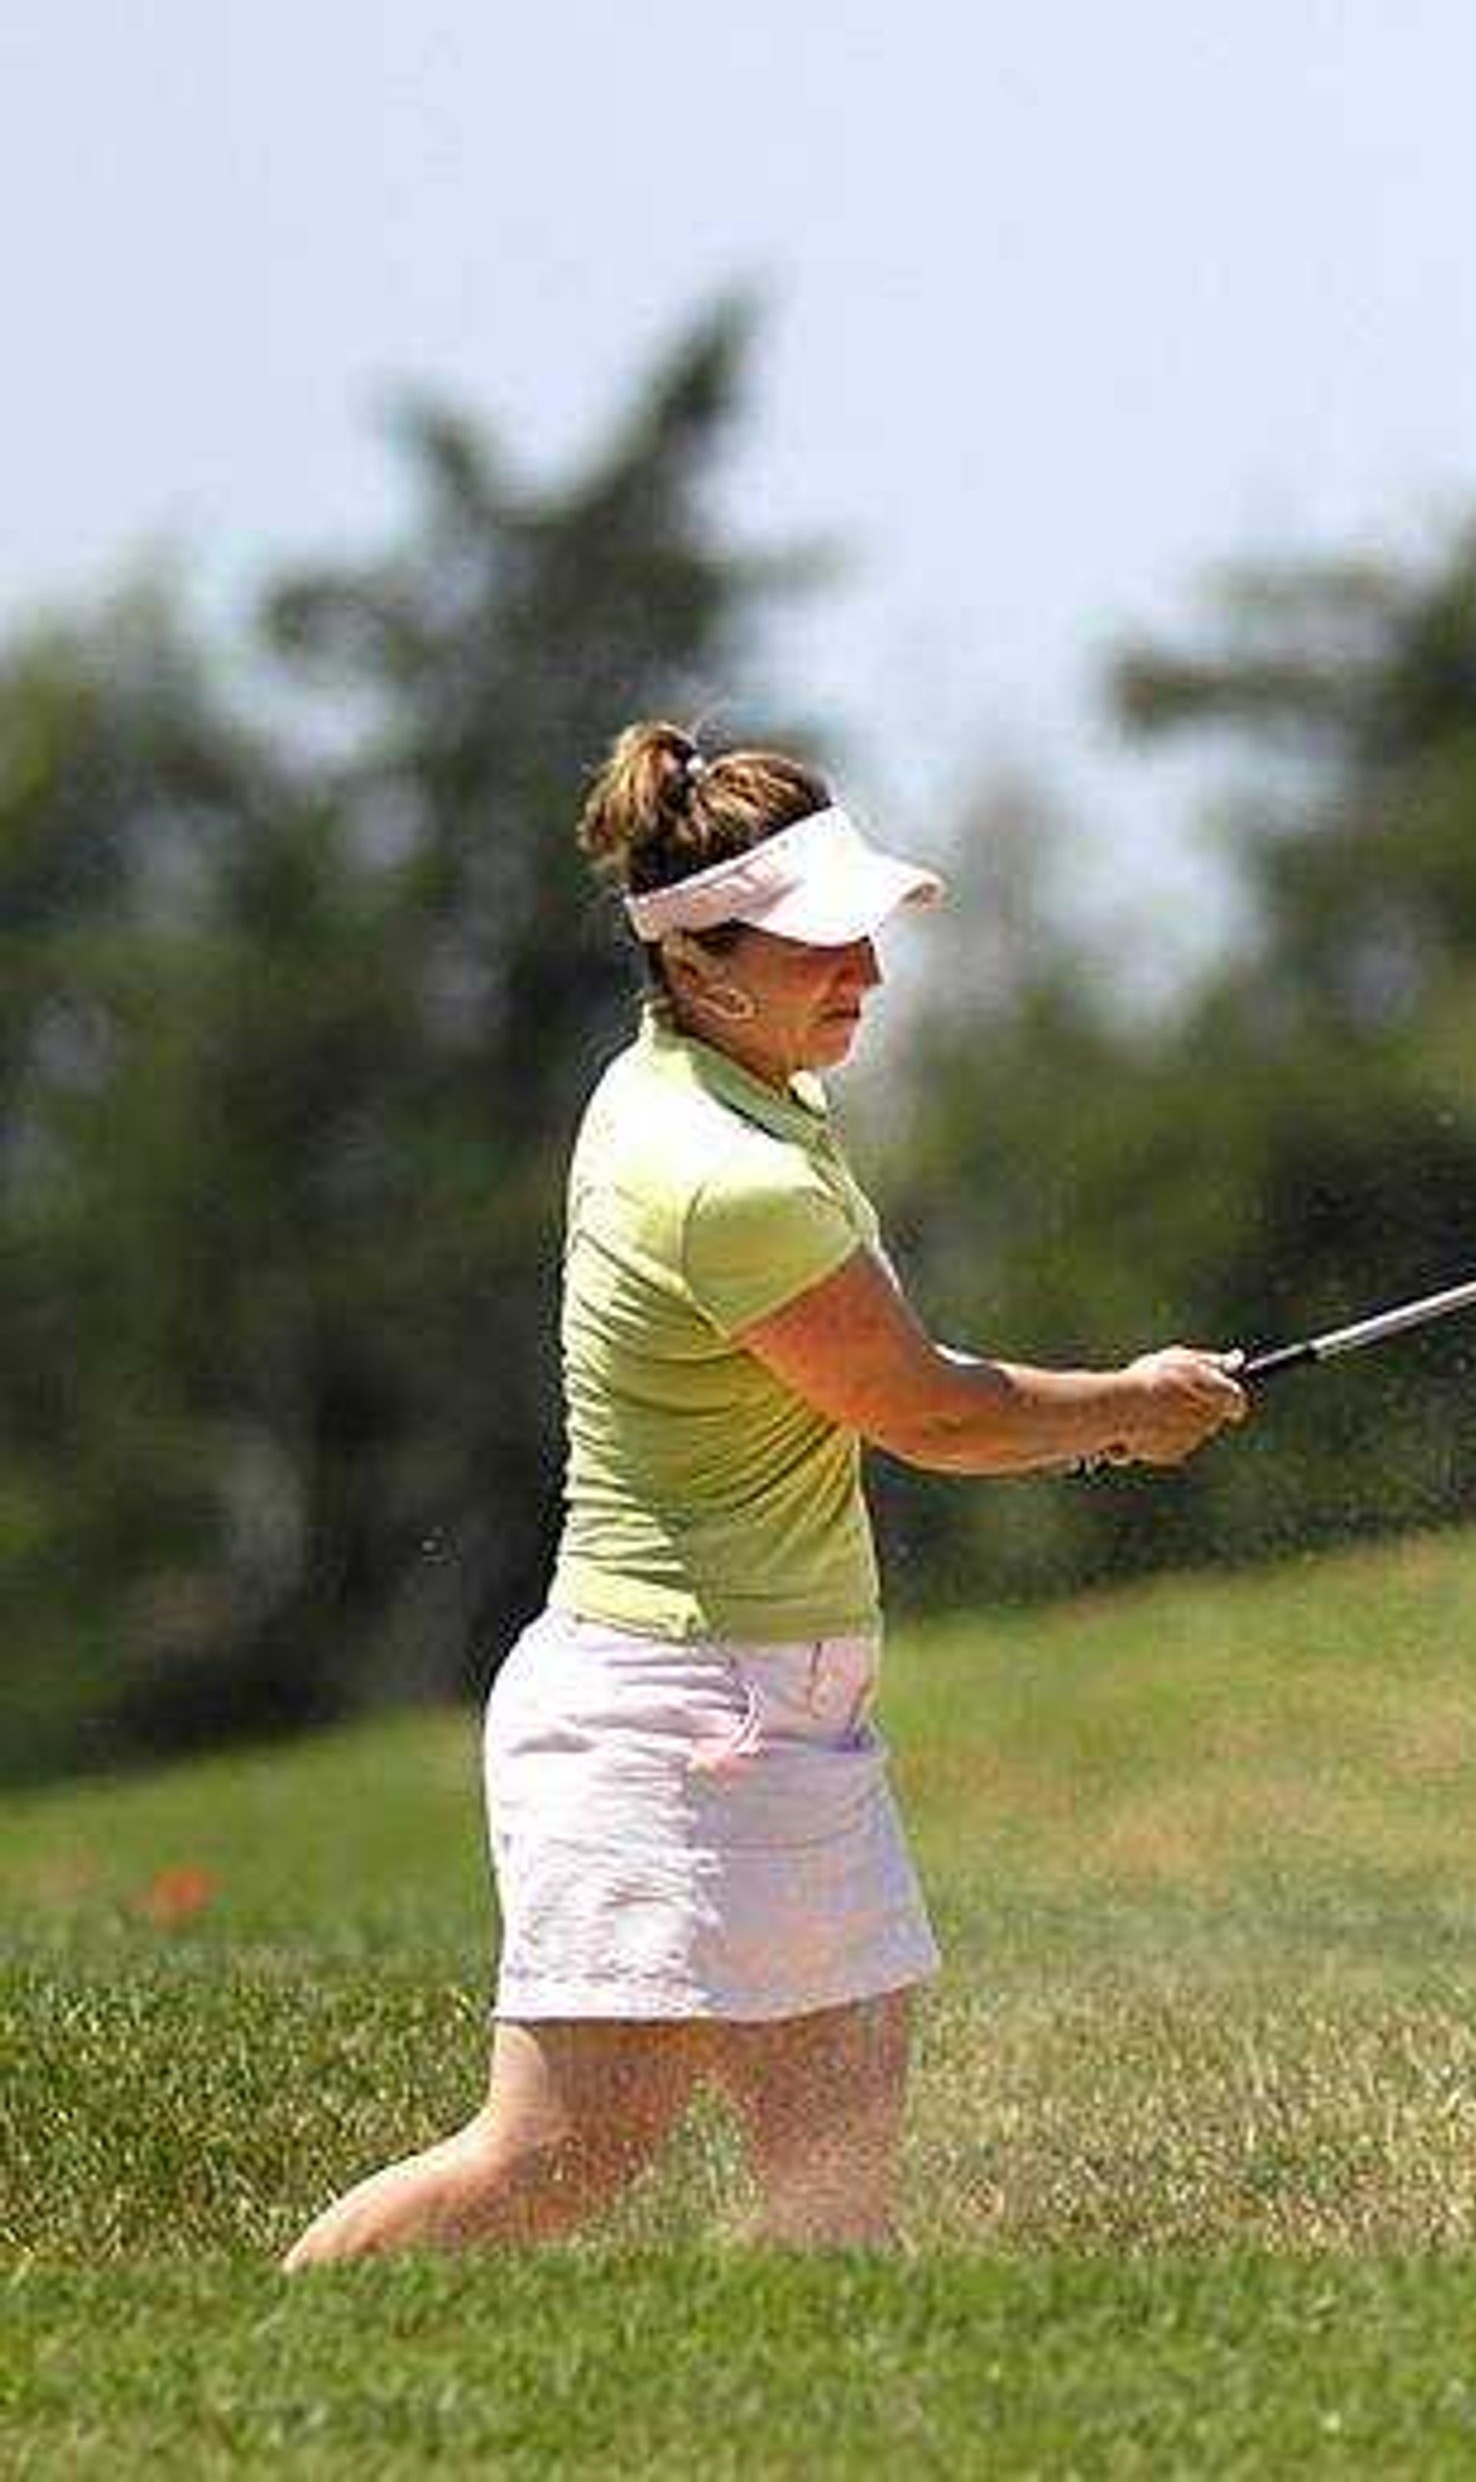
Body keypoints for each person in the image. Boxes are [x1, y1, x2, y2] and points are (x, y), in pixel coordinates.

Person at [283, 720, 1249, 2267]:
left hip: (777, 1705)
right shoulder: (726, 1176)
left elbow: (903, 1378)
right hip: (670, 1718)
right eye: (816, 945)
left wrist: (1121, 1405)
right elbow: (926, 1410)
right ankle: (267, 2366)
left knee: (834, 2183)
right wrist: (1130, 1410)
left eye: (861, 931)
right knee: (555, 2154)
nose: (861, 969)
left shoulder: (703, 1085)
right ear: (703, 962)